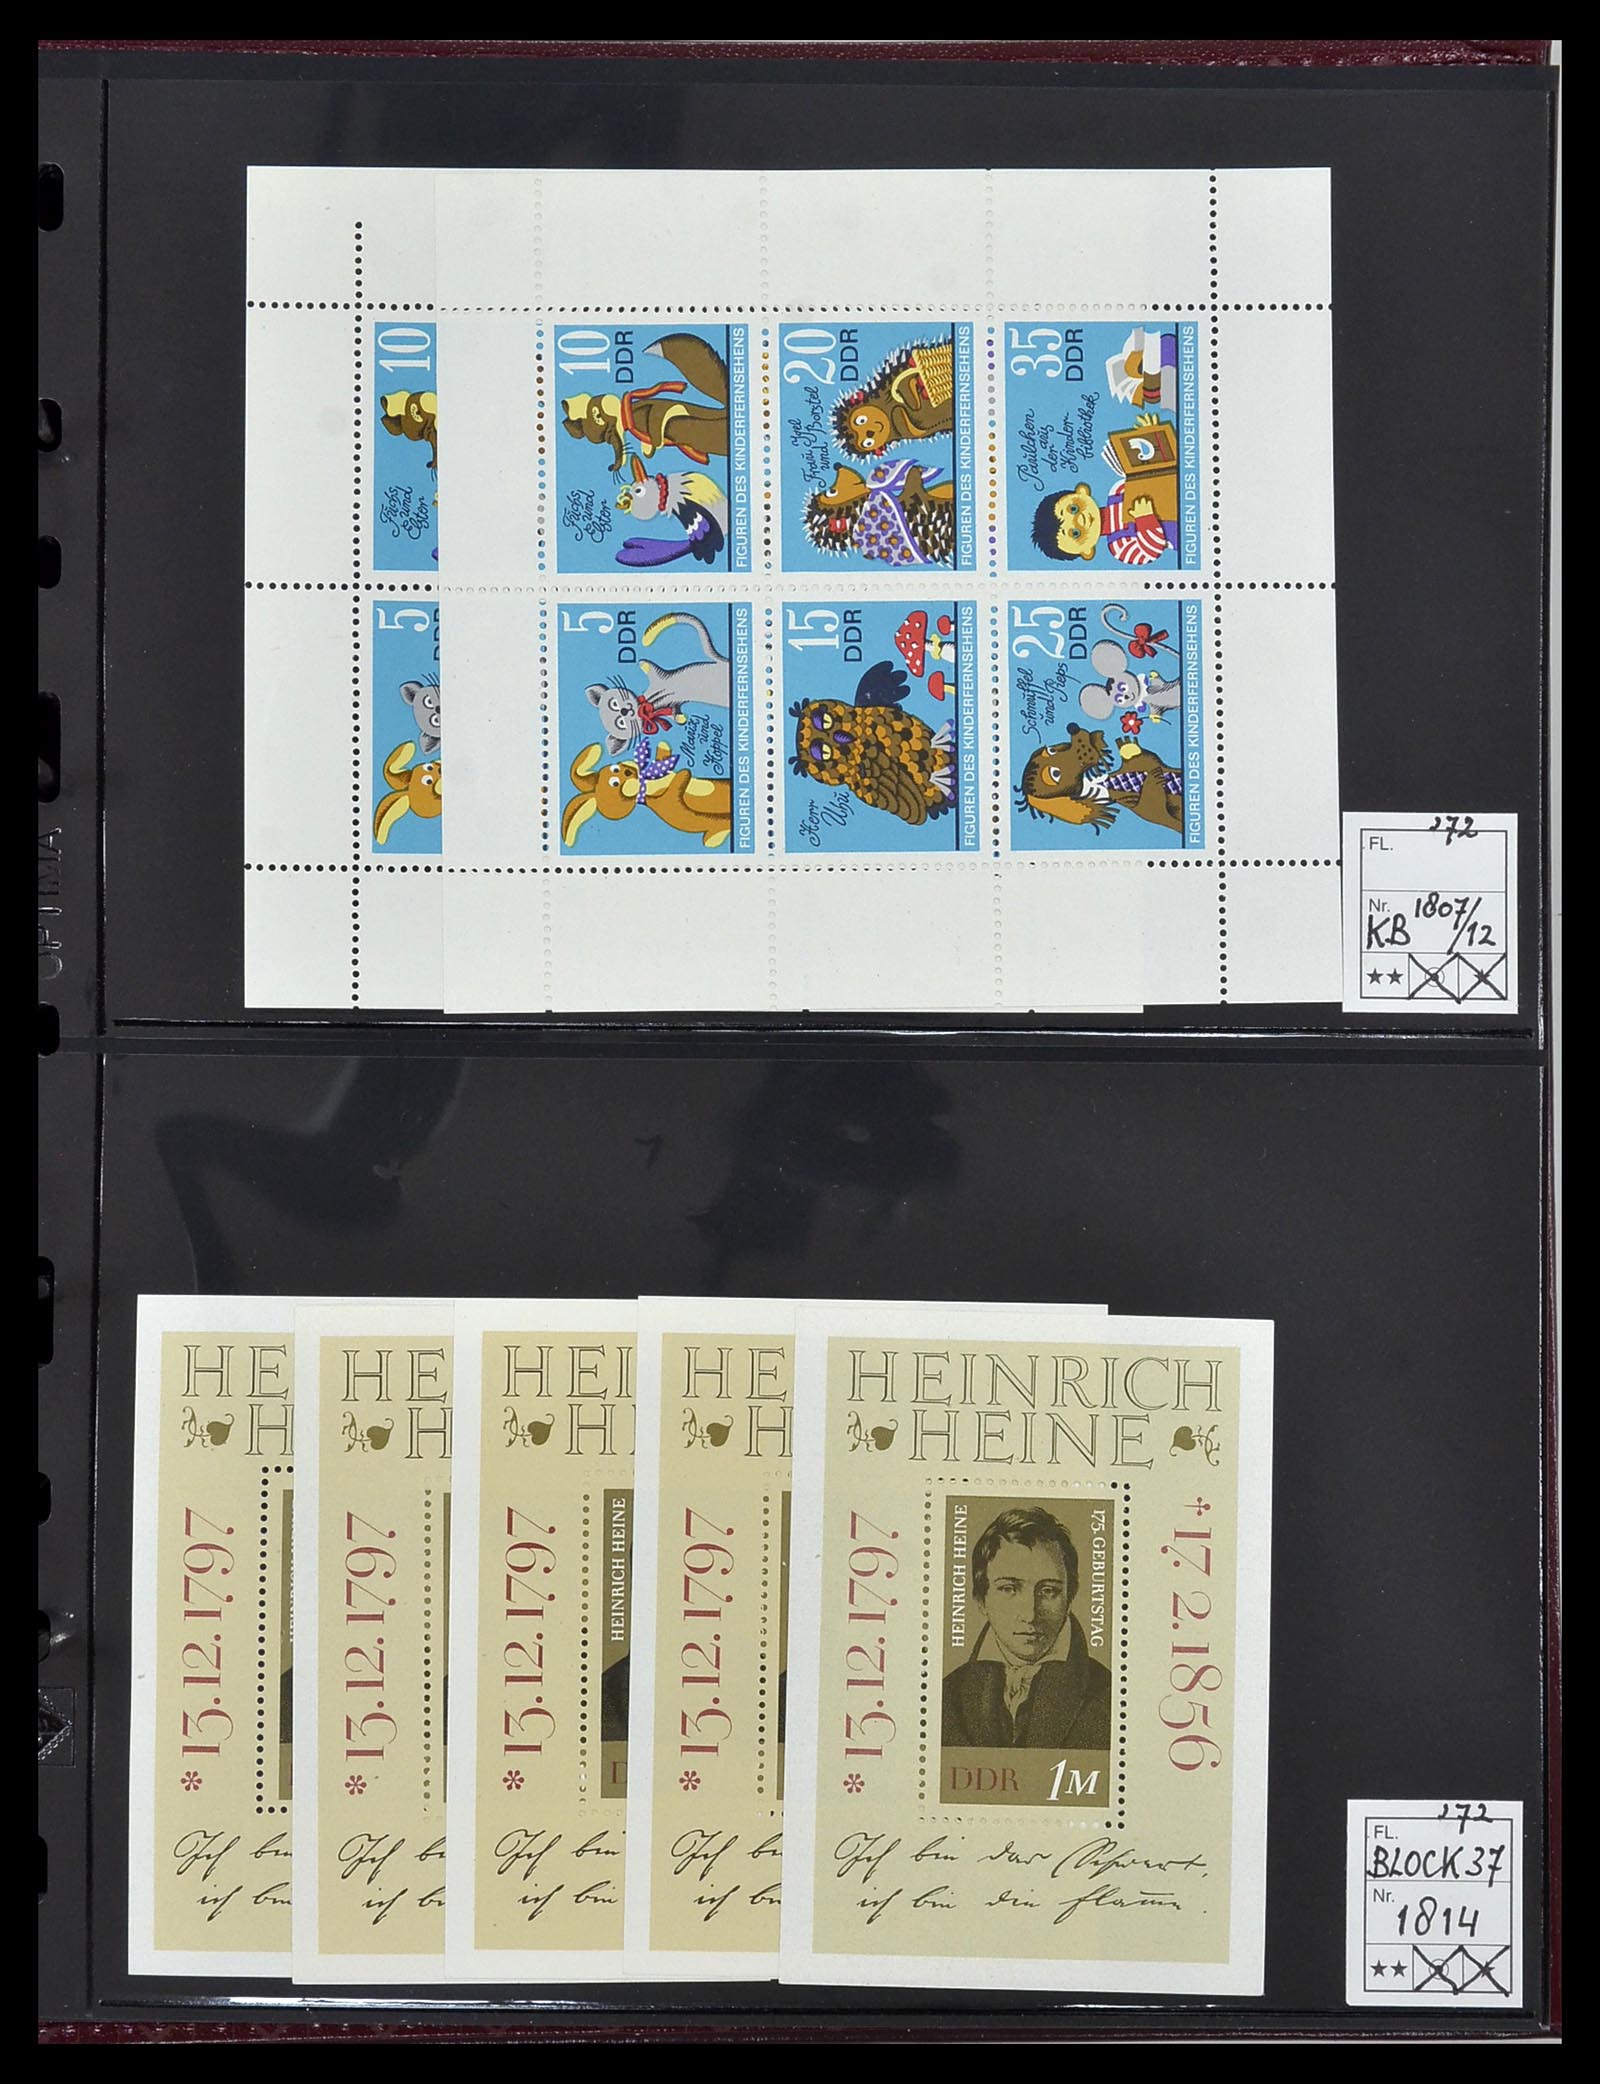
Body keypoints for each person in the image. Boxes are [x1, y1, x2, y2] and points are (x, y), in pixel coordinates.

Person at [941, 1505, 1111, 1749]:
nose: (1030, 1615)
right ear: (981, 1600)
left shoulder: (1108, 1693)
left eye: (1048, 1591)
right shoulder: (949, 1693)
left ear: (1069, 1598)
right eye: (1009, 1588)